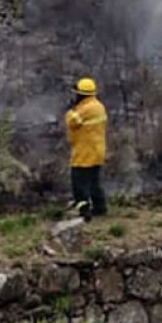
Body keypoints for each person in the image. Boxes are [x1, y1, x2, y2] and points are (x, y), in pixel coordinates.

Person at [65, 76, 109, 219]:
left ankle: (84, 211)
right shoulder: (99, 106)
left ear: (81, 94)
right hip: (98, 152)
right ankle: (100, 207)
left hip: (84, 153)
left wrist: (70, 110)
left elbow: (72, 122)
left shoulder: (84, 109)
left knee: (79, 184)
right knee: (94, 182)